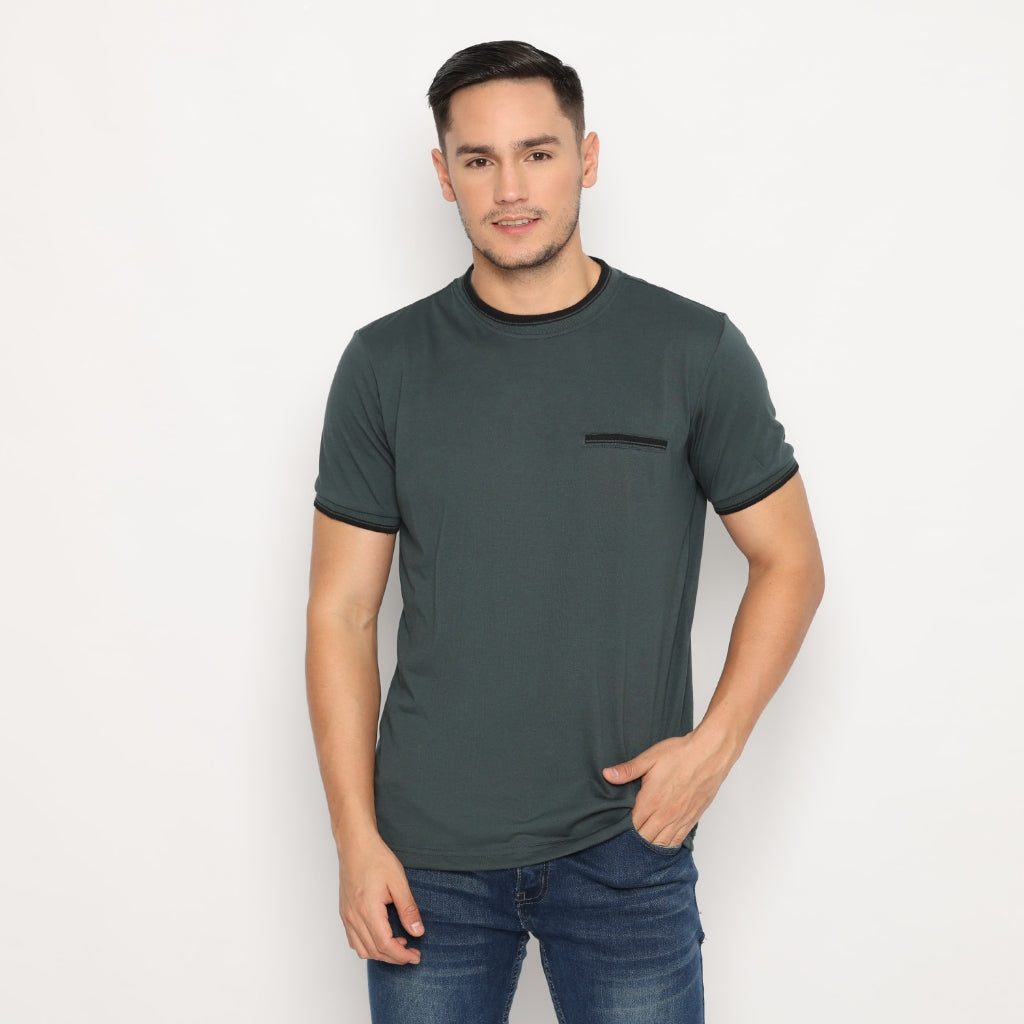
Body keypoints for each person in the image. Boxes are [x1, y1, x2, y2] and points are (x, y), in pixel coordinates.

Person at [305, 39, 824, 1024]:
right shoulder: (383, 365)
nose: (510, 187)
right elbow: (342, 612)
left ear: (586, 158)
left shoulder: (691, 349)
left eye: (537, 153)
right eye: (479, 159)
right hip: (428, 858)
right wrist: (355, 839)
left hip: (626, 842)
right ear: (443, 174)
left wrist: (713, 748)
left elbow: (789, 559)